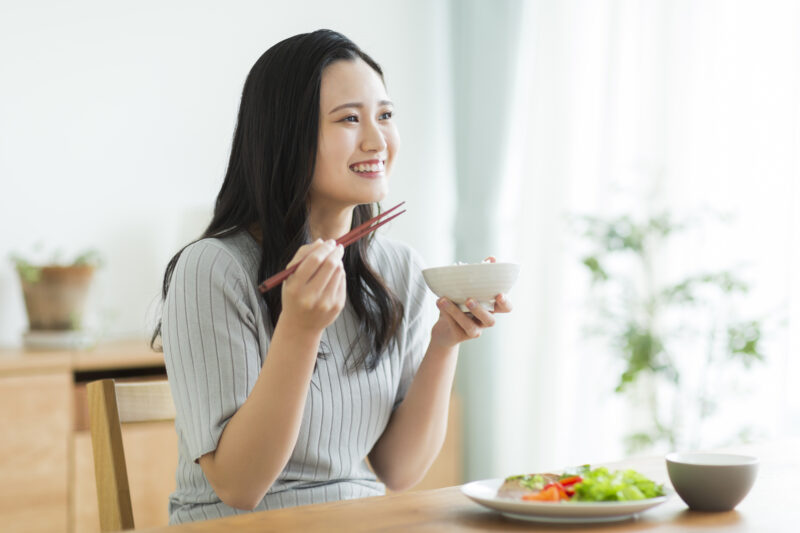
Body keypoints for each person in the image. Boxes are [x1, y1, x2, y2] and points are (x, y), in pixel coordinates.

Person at [153, 29, 512, 525]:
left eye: (385, 116)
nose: (376, 140)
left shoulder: (399, 268)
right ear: (287, 135)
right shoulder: (212, 269)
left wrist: (445, 340)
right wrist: (299, 329)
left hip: (359, 519)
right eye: (349, 119)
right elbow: (239, 485)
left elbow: (399, 469)